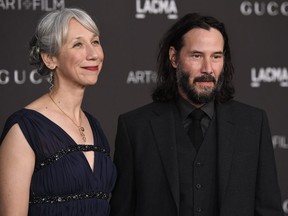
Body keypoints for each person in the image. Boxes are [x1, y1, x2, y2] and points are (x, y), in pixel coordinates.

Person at [109, 13, 283, 216]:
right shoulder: (135, 128)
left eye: (216, 57)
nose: (207, 69)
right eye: (197, 56)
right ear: (174, 58)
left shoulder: (253, 125)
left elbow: (269, 211)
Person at [0, 8, 116, 216]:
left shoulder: (94, 125)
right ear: (50, 59)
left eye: (95, 41)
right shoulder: (25, 129)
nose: (93, 54)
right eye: (78, 44)